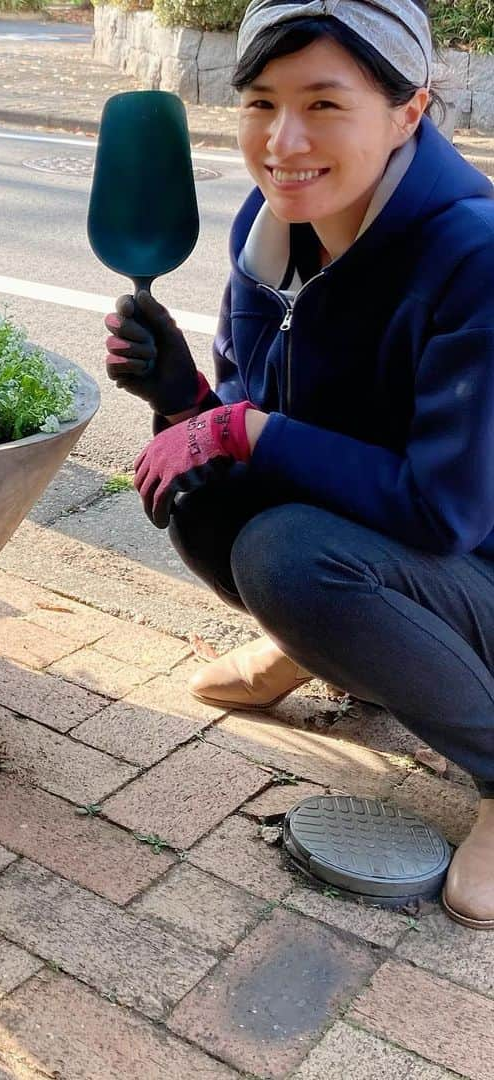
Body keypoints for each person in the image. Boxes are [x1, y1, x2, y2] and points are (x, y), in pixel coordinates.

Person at [104, 0, 494, 928]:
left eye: (324, 104)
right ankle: (335, 649)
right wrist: (183, 398)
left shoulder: (473, 258)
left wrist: (241, 431)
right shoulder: (275, 219)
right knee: (201, 504)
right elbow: (252, 414)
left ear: (411, 112)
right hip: (407, 552)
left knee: (289, 557)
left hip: (475, 562)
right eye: (260, 102)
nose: (283, 140)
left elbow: (446, 516)